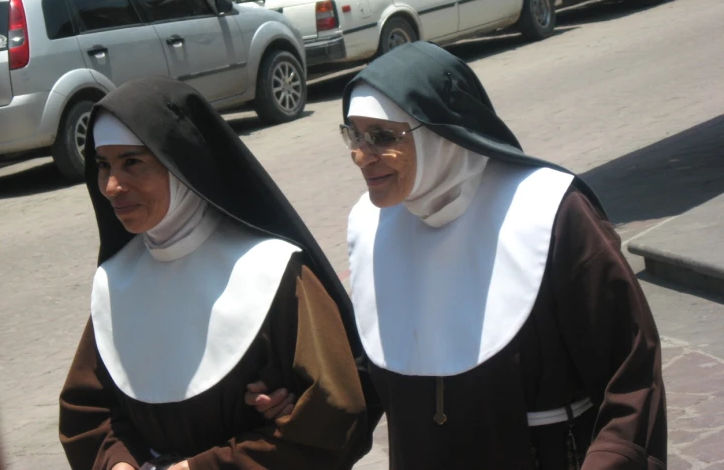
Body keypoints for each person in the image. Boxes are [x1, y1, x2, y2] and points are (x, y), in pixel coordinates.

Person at [249, 42, 667, 469]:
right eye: (353, 135)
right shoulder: (372, 226)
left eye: (381, 136)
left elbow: (631, 378)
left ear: (441, 134)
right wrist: (298, 400)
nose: (360, 155)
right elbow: (377, 374)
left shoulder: (551, 213)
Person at [58, 77, 370, 470]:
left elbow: (335, 411)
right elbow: (86, 411)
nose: (112, 186)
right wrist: (117, 463)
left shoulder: (273, 272)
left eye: (132, 162)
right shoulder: (117, 280)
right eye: (104, 165)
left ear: (179, 164)